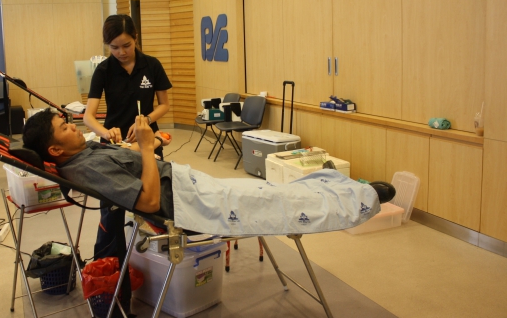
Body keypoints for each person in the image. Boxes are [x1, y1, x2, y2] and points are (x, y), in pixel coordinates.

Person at [22, 111, 396, 235]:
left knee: (267, 191)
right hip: (186, 204)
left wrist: (137, 145)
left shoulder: (84, 154)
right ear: (55, 150)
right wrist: (148, 148)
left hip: (187, 186)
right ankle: (361, 197)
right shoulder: (86, 169)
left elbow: (131, 165)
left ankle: (332, 183)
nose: (74, 127)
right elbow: (148, 201)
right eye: (65, 128)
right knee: (274, 199)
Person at [82, 15, 172, 257]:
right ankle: (111, 264)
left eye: (126, 45)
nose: (121, 52)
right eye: (113, 47)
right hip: (114, 147)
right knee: (111, 211)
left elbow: (164, 104)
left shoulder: (152, 65)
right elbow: (88, 116)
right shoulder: (103, 70)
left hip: (147, 142)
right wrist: (105, 132)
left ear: (136, 38)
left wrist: (146, 121)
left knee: (157, 203)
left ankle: (159, 259)